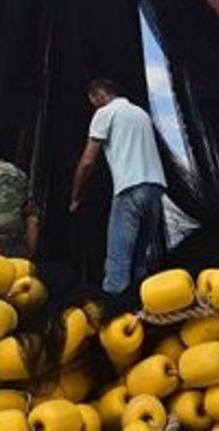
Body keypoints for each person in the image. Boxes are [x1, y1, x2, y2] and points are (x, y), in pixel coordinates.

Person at [70, 79, 168, 294]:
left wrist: (76, 196)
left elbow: (87, 162)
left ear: (99, 96)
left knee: (118, 263)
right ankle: (140, 314)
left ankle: (113, 317)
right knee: (139, 261)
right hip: (155, 189)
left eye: (92, 101)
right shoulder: (141, 114)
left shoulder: (105, 113)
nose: (93, 106)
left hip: (129, 190)